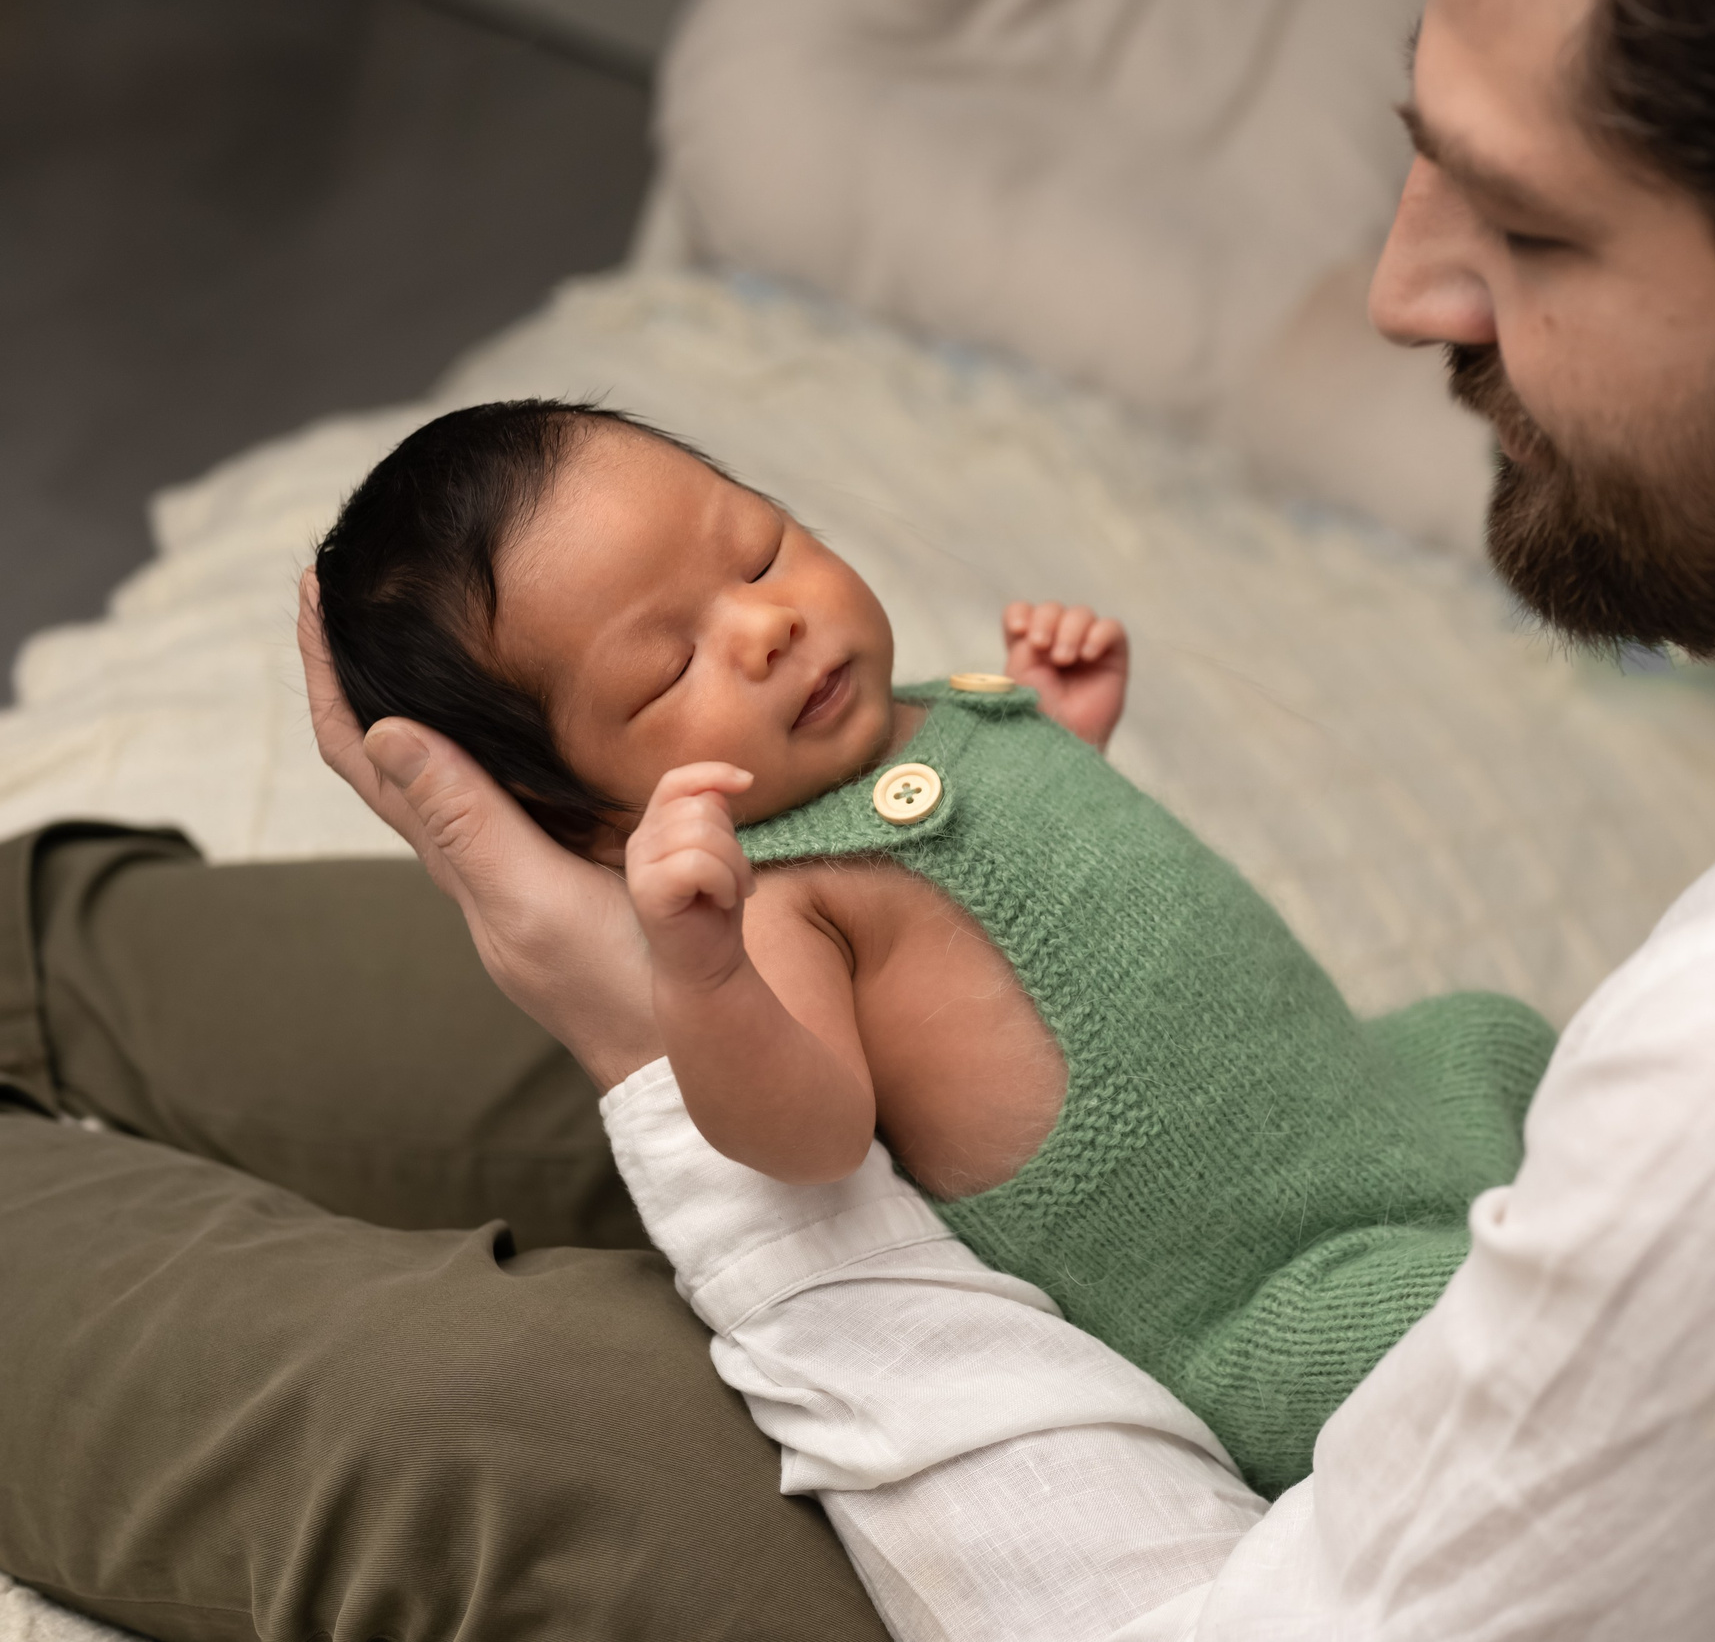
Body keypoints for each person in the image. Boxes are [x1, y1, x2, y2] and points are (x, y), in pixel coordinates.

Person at [2, 0, 1715, 1637]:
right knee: (348, 1000)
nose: (1399, 286)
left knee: (508, 1412)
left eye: (1525, 227)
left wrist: (693, 1115)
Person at [312, 397, 1551, 1496]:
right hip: (1267, 1284)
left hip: (1370, 1101)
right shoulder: (779, 894)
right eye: (667, 664)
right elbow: (804, 1135)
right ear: (588, 816)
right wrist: (698, 970)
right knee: (1472, 1340)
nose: (763, 626)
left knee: (1498, 1033)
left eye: (759, 547)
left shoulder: (929, 717)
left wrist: (1060, 736)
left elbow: (1025, 915)